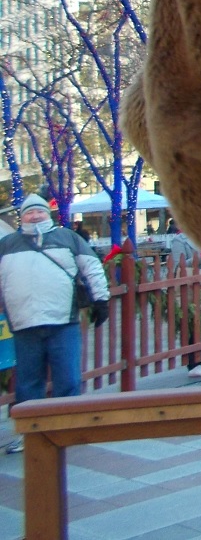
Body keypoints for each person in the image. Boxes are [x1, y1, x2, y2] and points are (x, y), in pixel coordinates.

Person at [0, 193, 110, 452]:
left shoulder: (67, 238)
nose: (35, 215)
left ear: (47, 214)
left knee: (68, 379)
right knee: (28, 384)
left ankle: (68, 428)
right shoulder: (8, 244)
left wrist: (101, 300)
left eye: (39, 211)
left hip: (63, 321)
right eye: (29, 212)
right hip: (24, 324)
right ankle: (31, 435)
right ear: (22, 217)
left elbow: (92, 267)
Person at [168, 225, 201, 378]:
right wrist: (200, 257)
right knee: (191, 324)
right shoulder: (179, 240)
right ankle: (193, 363)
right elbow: (179, 265)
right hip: (188, 288)